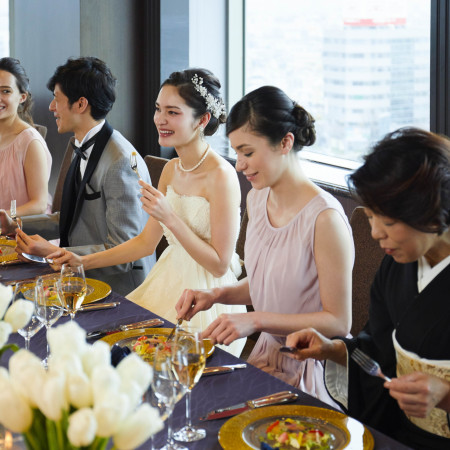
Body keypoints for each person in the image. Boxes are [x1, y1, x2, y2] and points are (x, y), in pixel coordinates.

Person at [42, 68, 247, 357]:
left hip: (206, 298)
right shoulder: (171, 169)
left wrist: (170, 218)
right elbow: (144, 243)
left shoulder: (222, 176)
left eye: (173, 112)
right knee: (102, 347)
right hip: (166, 279)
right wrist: (82, 261)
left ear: (202, 120)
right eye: (158, 109)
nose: (160, 119)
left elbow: (219, 265)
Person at [175, 86, 354, 405]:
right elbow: (266, 283)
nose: (240, 165)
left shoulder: (325, 220)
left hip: (309, 368)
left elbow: (338, 322)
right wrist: (216, 295)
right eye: (236, 153)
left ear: (285, 142)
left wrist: (256, 320)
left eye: (247, 152)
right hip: (266, 356)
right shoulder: (257, 199)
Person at [285, 127, 450, 450]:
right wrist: (332, 349)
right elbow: (377, 351)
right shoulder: (397, 265)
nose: (375, 233)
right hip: (399, 434)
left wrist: (445, 396)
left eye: (387, 222)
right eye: (371, 217)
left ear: (431, 213)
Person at [14, 57, 154, 296]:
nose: (51, 108)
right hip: (79, 278)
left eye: (57, 100)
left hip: (120, 290)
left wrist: (52, 251)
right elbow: (72, 219)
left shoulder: (119, 161)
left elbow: (124, 251)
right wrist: (17, 223)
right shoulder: (79, 144)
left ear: (80, 104)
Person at [0, 57, 52, 217]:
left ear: (22, 97)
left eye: (5, 91)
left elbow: (40, 204)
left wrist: (6, 217)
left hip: (22, 235)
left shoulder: (30, 142)